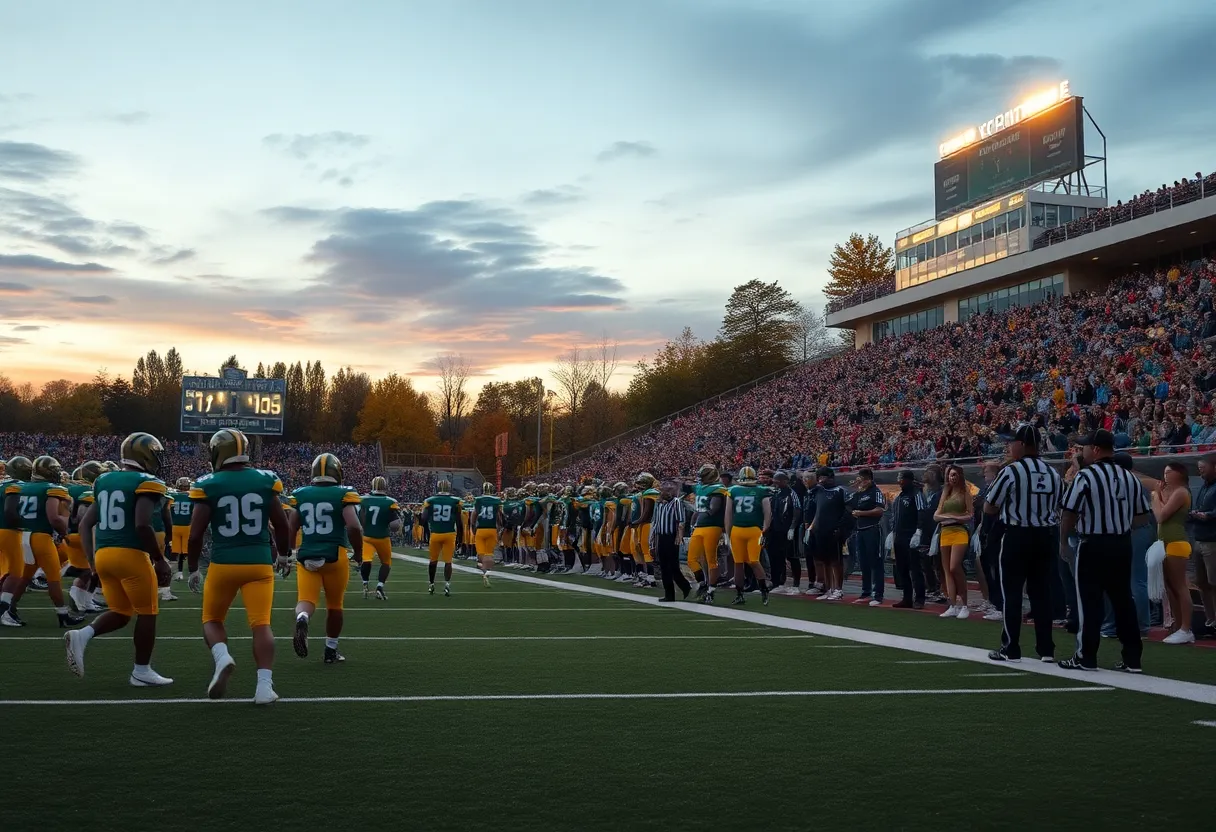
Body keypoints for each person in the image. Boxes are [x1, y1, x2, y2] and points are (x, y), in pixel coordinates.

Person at [187, 428, 293, 704]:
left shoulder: (207, 483)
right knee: (261, 624)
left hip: (223, 563)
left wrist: (193, 567)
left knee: (211, 620)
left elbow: (196, 534)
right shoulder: (265, 480)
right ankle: (263, 687)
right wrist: (284, 555)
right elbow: (281, 523)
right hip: (259, 564)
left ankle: (222, 657)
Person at [63, 433, 173, 686]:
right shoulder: (147, 481)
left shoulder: (104, 480)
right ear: (145, 455)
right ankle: (141, 671)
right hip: (131, 555)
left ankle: (83, 635)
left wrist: (92, 562)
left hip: (103, 555)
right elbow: (142, 525)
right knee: (148, 613)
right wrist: (159, 559)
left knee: (122, 612)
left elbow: (85, 523)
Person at [1058, 429, 1149, 671]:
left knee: (1089, 602)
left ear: (1096, 449)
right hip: (1121, 544)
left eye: (1085, 447)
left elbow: (1069, 511)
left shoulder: (1086, 476)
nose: (1082, 451)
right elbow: (1142, 516)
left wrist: (1063, 541)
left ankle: (1085, 656)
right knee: (1123, 601)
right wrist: (1119, 524)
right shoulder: (1129, 477)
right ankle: (1133, 658)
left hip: (1093, 544)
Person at [985, 425, 1062, 664]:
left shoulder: (1012, 471)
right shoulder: (1052, 472)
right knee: (1041, 593)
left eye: (1011, 443)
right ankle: (1046, 649)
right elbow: (1060, 503)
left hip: (1017, 535)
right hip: (1045, 536)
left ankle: (1011, 647)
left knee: (1012, 592)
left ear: (1022, 444)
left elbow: (990, 505)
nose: (1009, 447)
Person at [290, 453, 363, 663]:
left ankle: (302, 618)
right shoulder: (344, 493)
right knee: (334, 605)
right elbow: (353, 526)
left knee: (306, 600)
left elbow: (291, 525)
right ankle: (330, 651)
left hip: (306, 556)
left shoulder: (301, 494)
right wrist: (357, 553)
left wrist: (286, 552)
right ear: (337, 472)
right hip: (335, 555)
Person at [2, 455, 83, 628]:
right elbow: (53, 517)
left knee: (24, 577)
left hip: (24, 536)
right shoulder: (52, 489)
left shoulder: (20, 487)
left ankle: (9, 608)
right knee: (53, 578)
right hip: (41, 538)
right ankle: (63, 615)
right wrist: (64, 532)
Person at [1153, 461, 1195, 644]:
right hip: (1166, 543)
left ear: (1179, 473)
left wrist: (1155, 497)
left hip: (1177, 543)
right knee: (1170, 588)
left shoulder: (1181, 492)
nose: (1166, 475)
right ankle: (1179, 627)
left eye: (1169, 472)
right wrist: (1161, 496)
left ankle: (1186, 628)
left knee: (1180, 587)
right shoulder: (1173, 492)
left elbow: (1161, 516)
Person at [725, 466, 770, 606]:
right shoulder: (762, 491)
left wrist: (727, 533)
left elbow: (728, 514)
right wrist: (764, 529)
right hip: (754, 531)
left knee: (739, 564)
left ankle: (740, 594)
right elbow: (768, 513)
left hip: (737, 531)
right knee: (754, 561)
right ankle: (764, 590)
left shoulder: (733, 490)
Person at [934, 464, 974, 619]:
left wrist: (954, 517)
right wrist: (948, 517)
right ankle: (953, 605)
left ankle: (964, 604)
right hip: (945, 532)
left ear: (960, 476)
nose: (953, 477)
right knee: (947, 571)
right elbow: (936, 515)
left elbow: (969, 515)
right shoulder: (946, 492)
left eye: (956, 474)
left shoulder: (965, 492)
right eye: (951, 475)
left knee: (954, 566)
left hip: (959, 531)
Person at [805, 467, 850, 601]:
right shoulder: (819, 491)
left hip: (834, 531)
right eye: (819, 477)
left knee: (836, 561)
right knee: (824, 561)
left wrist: (841, 528)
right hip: (820, 530)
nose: (821, 480)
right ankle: (828, 588)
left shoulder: (840, 490)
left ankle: (838, 589)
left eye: (823, 477)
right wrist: (810, 528)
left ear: (831, 477)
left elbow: (848, 511)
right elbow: (817, 512)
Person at [688, 464, 728, 604]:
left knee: (711, 560)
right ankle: (702, 583)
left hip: (712, 526)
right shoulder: (700, 487)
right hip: (699, 526)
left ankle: (711, 590)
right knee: (691, 559)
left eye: (703, 476)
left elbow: (713, 509)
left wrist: (700, 513)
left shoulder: (719, 489)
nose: (700, 478)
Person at [846, 468, 885, 606]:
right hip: (860, 531)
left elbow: (880, 510)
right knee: (863, 562)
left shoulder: (876, 492)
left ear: (868, 479)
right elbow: (847, 503)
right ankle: (866, 591)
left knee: (876, 562)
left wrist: (862, 513)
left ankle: (878, 594)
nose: (860, 482)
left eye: (861, 480)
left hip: (872, 530)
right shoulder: (859, 493)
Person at [359, 475, 400, 600]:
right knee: (386, 563)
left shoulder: (364, 499)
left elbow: (361, 518)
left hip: (367, 537)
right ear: (385, 486)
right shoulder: (390, 502)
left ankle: (365, 584)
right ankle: (380, 587)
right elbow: (395, 525)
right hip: (383, 537)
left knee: (366, 560)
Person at [650, 480, 691, 602]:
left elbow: (681, 521)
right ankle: (670, 594)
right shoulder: (658, 504)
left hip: (672, 536)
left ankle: (685, 586)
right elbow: (655, 522)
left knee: (673, 566)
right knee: (663, 566)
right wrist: (652, 540)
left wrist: (679, 537)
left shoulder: (676, 502)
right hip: (661, 536)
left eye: (668, 491)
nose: (665, 493)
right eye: (664, 491)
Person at [890, 470, 926, 609]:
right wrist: (892, 531)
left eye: (901, 478)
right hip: (899, 536)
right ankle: (907, 598)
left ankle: (920, 598)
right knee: (902, 569)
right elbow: (895, 516)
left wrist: (918, 531)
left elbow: (922, 512)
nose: (899, 481)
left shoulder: (916, 494)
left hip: (911, 537)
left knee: (915, 569)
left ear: (908, 479)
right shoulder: (899, 497)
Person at [1189, 453, 1216, 632]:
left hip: (1212, 541)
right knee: (1202, 583)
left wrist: (1208, 515)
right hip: (1199, 539)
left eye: (1203, 468)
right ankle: (1210, 620)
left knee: (1214, 583)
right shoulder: (1205, 487)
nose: (1200, 472)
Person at [422, 479, 461, 596]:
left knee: (433, 561)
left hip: (435, 533)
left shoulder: (430, 501)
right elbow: (459, 522)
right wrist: (461, 538)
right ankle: (447, 585)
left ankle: (431, 584)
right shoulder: (455, 501)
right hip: (450, 534)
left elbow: (423, 519)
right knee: (448, 561)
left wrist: (427, 532)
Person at [767, 471, 801, 595]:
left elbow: (797, 510)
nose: (775, 483)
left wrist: (792, 527)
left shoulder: (792, 493)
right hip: (775, 530)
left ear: (785, 481)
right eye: (774, 481)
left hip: (787, 531)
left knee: (792, 556)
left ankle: (796, 584)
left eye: (777, 481)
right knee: (776, 557)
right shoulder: (775, 494)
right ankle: (778, 582)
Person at [472, 482, 503, 587]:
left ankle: (483, 570)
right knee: (489, 554)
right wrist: (499, 528)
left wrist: (473, 527)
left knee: (481, 555)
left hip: (481, 529)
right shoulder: (496, 500)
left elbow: (474, 515)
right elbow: (499, 517)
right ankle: (487, 573)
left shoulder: (478, 500)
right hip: (492, 529)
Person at [167, 477, 194, 582]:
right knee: (184, 552)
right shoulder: (191, 497)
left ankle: (173, 573)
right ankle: (181, 572)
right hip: (187, 526)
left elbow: (167, 511)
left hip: (174, 526)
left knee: (174, 551)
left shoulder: (172, 496)